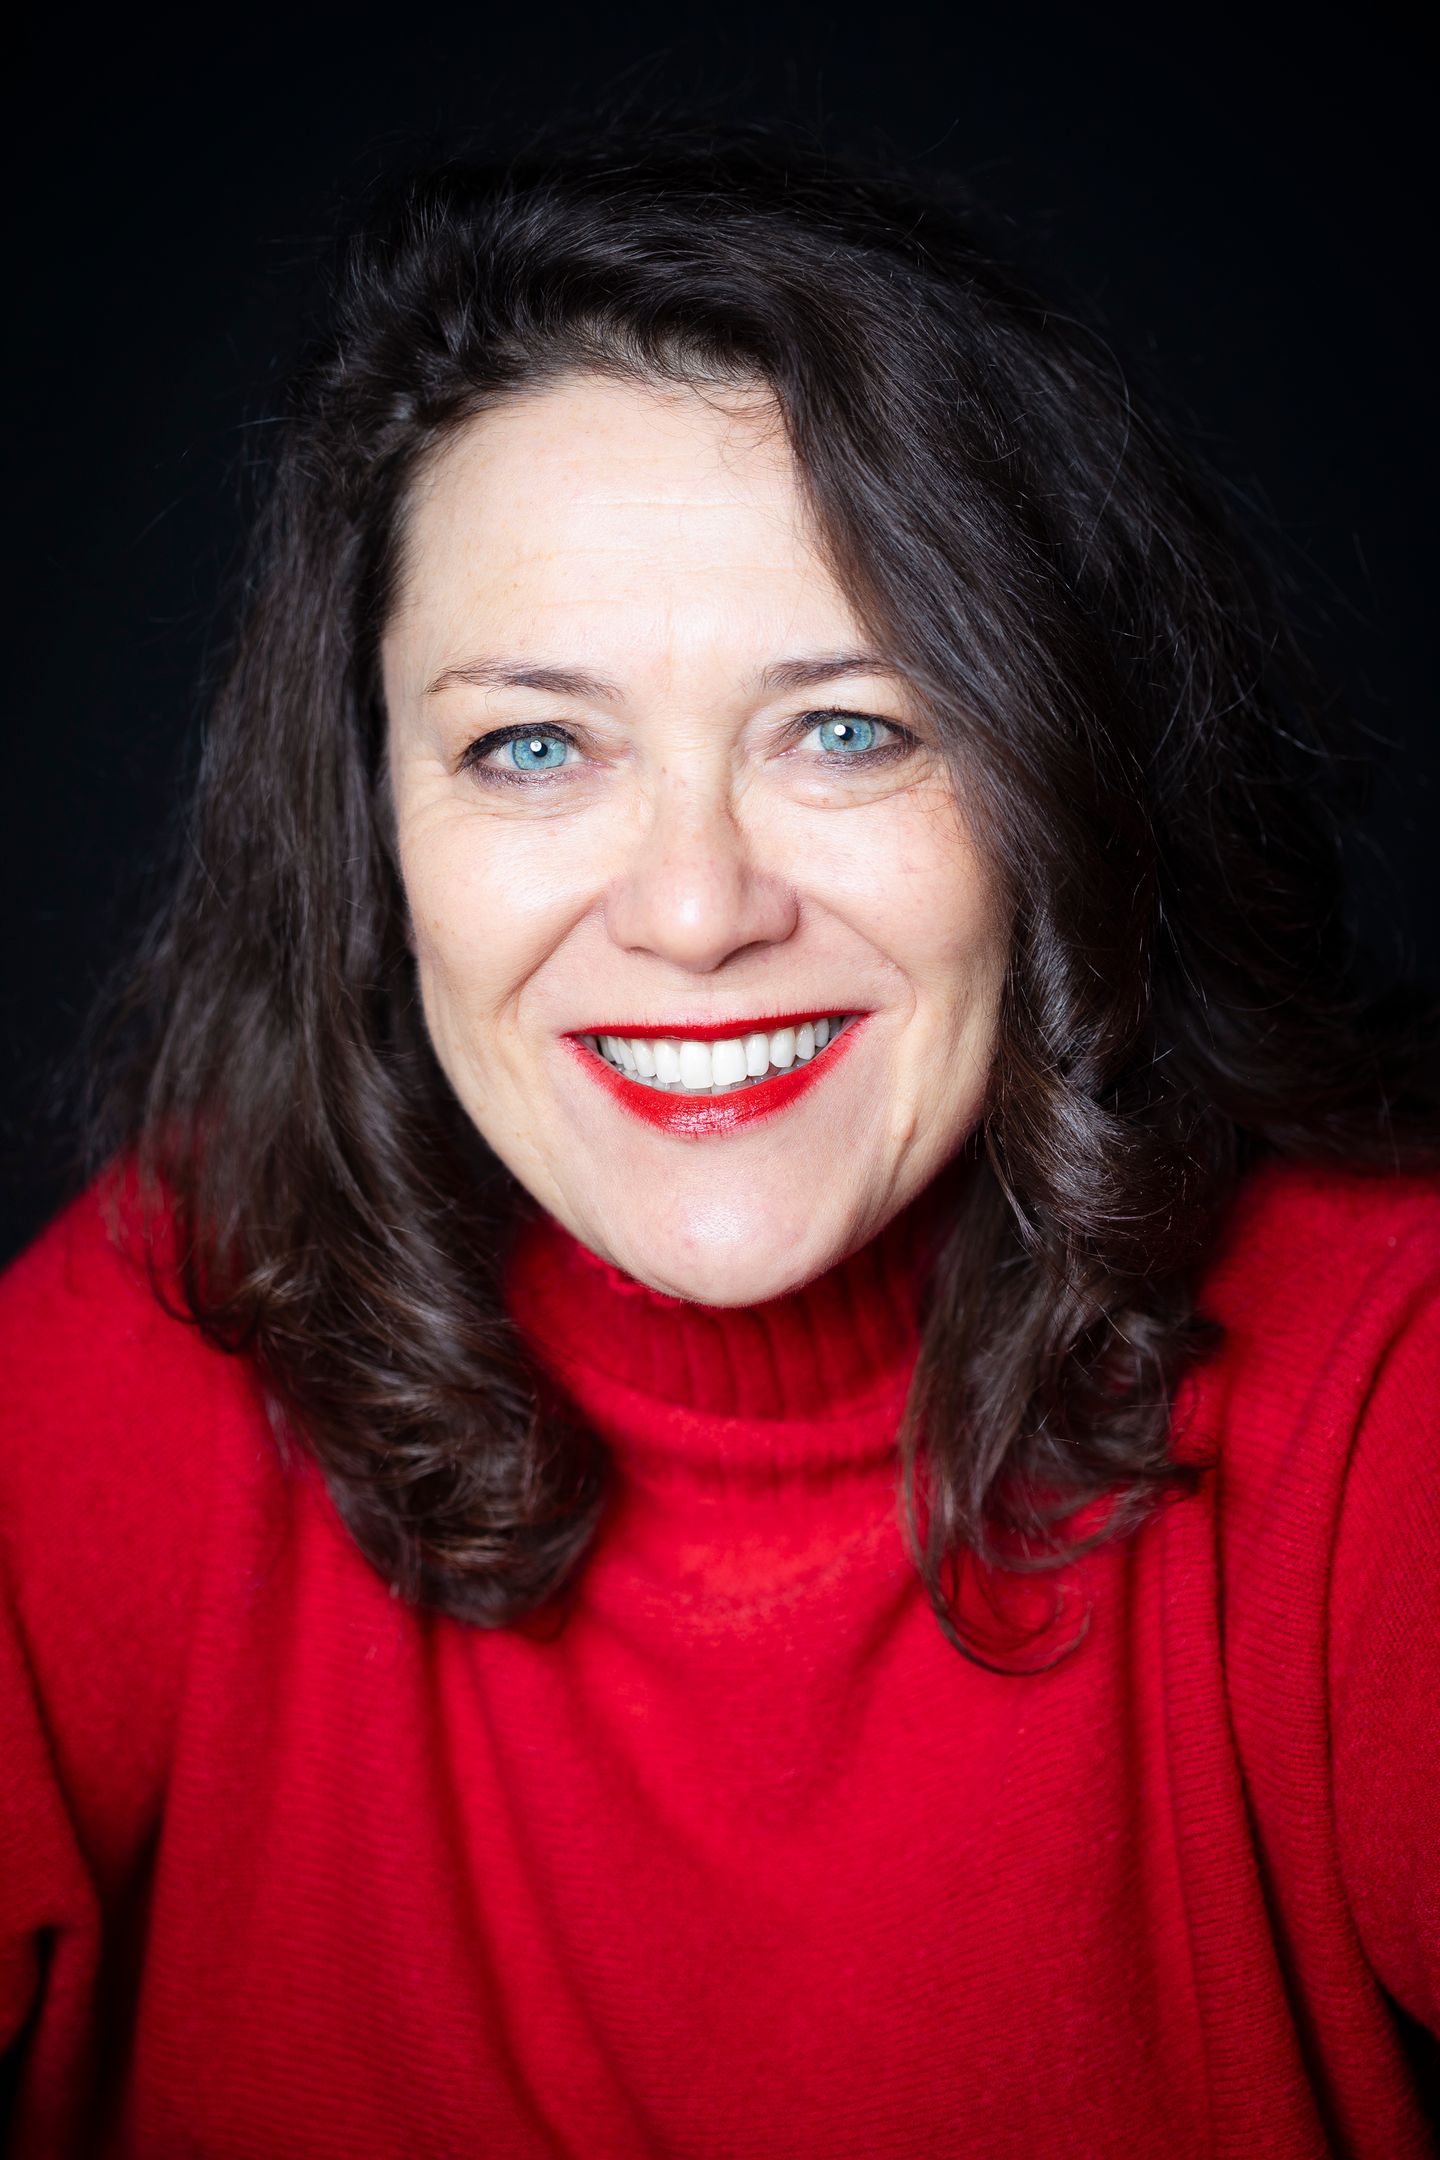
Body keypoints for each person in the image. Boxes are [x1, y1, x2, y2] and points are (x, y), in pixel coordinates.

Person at [2, 121, 1437, 2160]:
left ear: (1060, 771)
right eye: (532, 746)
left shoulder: (1382, 1373)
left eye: (849, 729)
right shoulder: (176, 1321)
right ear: (373, 828)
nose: (693, 909)